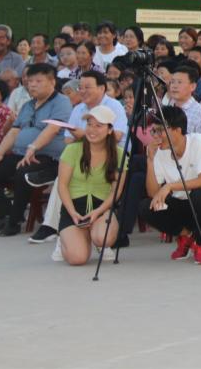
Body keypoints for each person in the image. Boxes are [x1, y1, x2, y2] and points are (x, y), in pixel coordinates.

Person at [30, 69, 129, 245]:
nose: (82, 91)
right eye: (80, 87)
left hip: (111, 156)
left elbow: (117, 136)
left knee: (65, 176)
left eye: (87, 87)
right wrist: (87, 137)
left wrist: (85, 134)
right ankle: (52, 225)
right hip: (82, 154)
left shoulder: (114, 106)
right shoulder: (78, 109)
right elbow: (68, 139)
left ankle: (95, 223)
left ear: (102, 88)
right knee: (63, 177)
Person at [0, 63, 72, 235]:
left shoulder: (61, 102)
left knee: (23, 172)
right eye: (30, 81)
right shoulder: (28, 105)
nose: (32, 85)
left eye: (38, 81)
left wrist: (32, 148)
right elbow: (14, 131)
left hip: (49, 158)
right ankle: (7, 214)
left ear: (52, 82)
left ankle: (15, 221)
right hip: (21, 154)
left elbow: (52, 129)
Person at [141, 106, 201, 266]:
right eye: (153, 131)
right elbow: (153, 193)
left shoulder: (198, 141)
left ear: (177, 130)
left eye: (160, 131)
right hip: (185, 205)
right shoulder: (161, 152)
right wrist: (150, 160)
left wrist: (169, 186)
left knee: (198, 194)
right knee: (145, 206)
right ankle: (187, 236)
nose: (156, 136)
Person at [54, 105, 124, 265]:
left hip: (102, 208)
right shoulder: (72, 149)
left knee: (102, 238)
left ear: (110, 130)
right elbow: (62, 185)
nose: (92, 130)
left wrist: (98, 211)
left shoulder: (119, 153)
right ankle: (66, 238)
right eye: (89, 124)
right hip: (74, 208)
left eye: (98, 126)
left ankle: (93, 235)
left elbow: (116, 191)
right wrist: (72, 212)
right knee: (77, 259)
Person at [166, 64, 201, 138]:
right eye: (172, 82)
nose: (174, 86)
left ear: (192, 86)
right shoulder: (166, 109)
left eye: (179, 82)